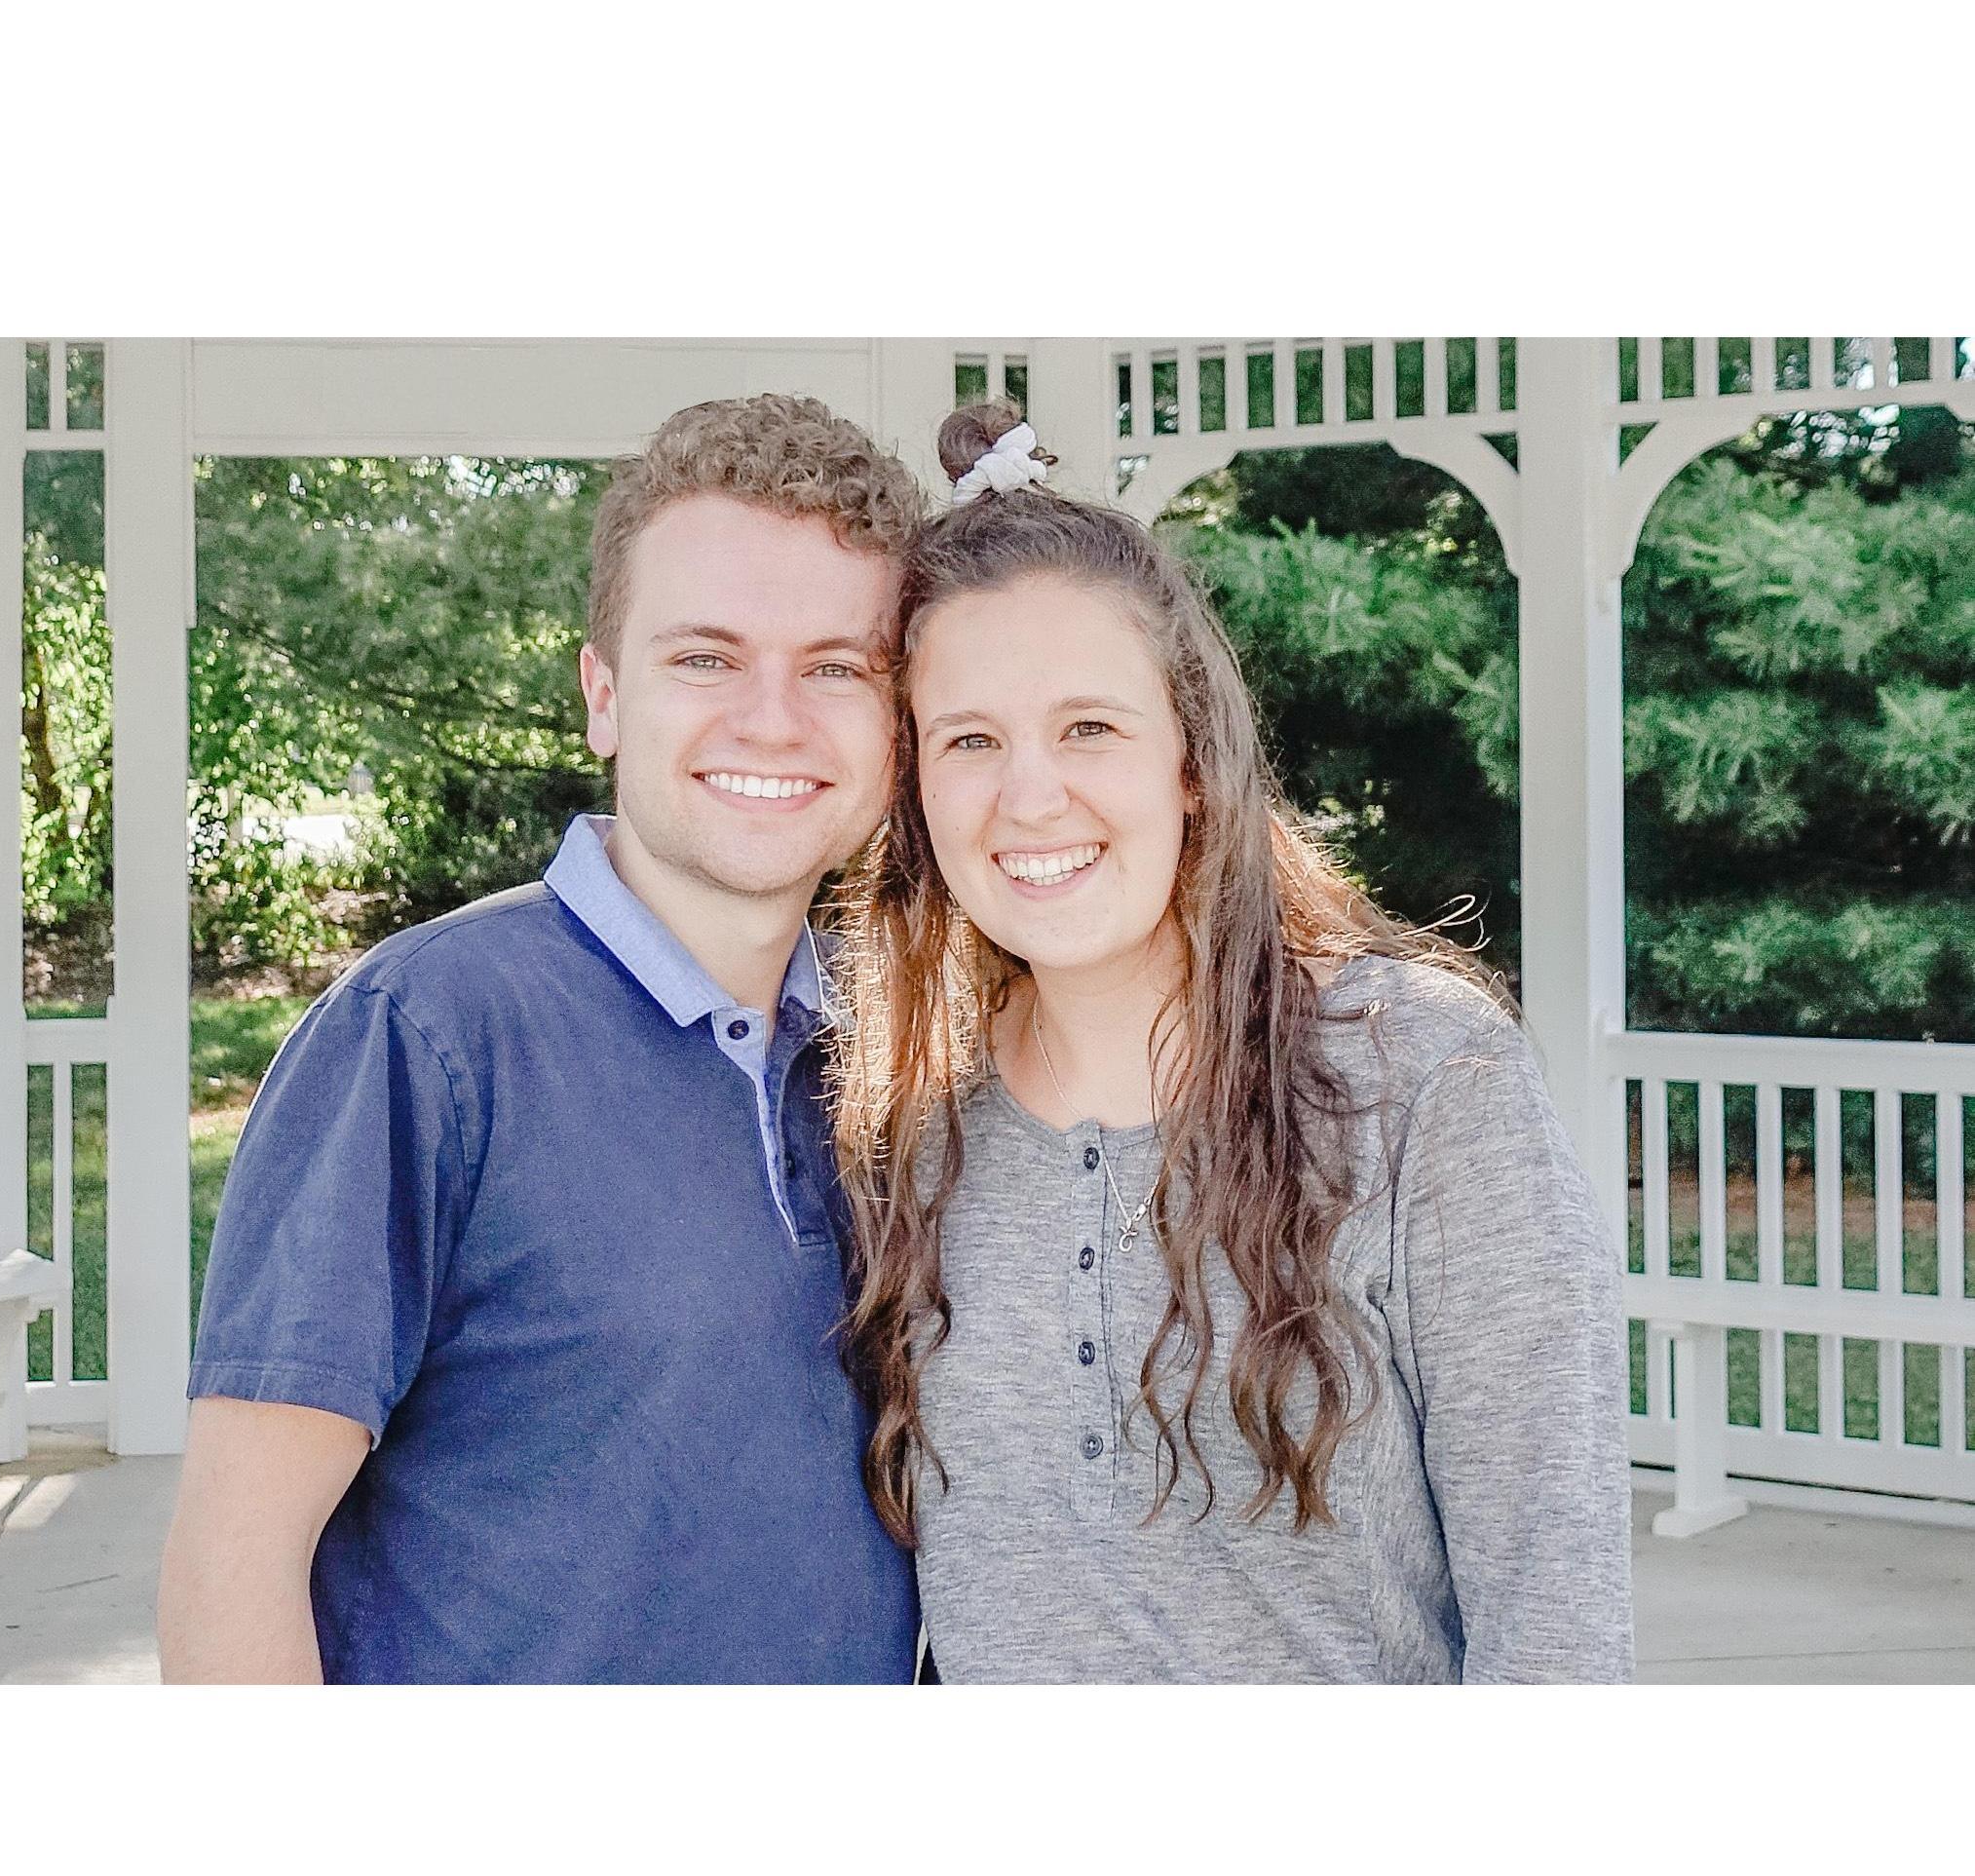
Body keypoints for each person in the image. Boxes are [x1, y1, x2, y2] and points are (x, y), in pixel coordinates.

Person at [830, 401, 1634, 1684]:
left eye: (1089, 727)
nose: (1030, 796)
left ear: (1191, 761)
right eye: (971, 741)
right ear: (916, 791)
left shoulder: (1425, 1078)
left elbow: (1556, 1600)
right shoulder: (908, 1127)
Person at [159, 395, 925, 1683]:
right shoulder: (421, 1039)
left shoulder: (896, 1052)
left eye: (838, 666)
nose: (774, 719)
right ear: (603, 696)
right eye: (706, 658)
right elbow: (231, 1568)